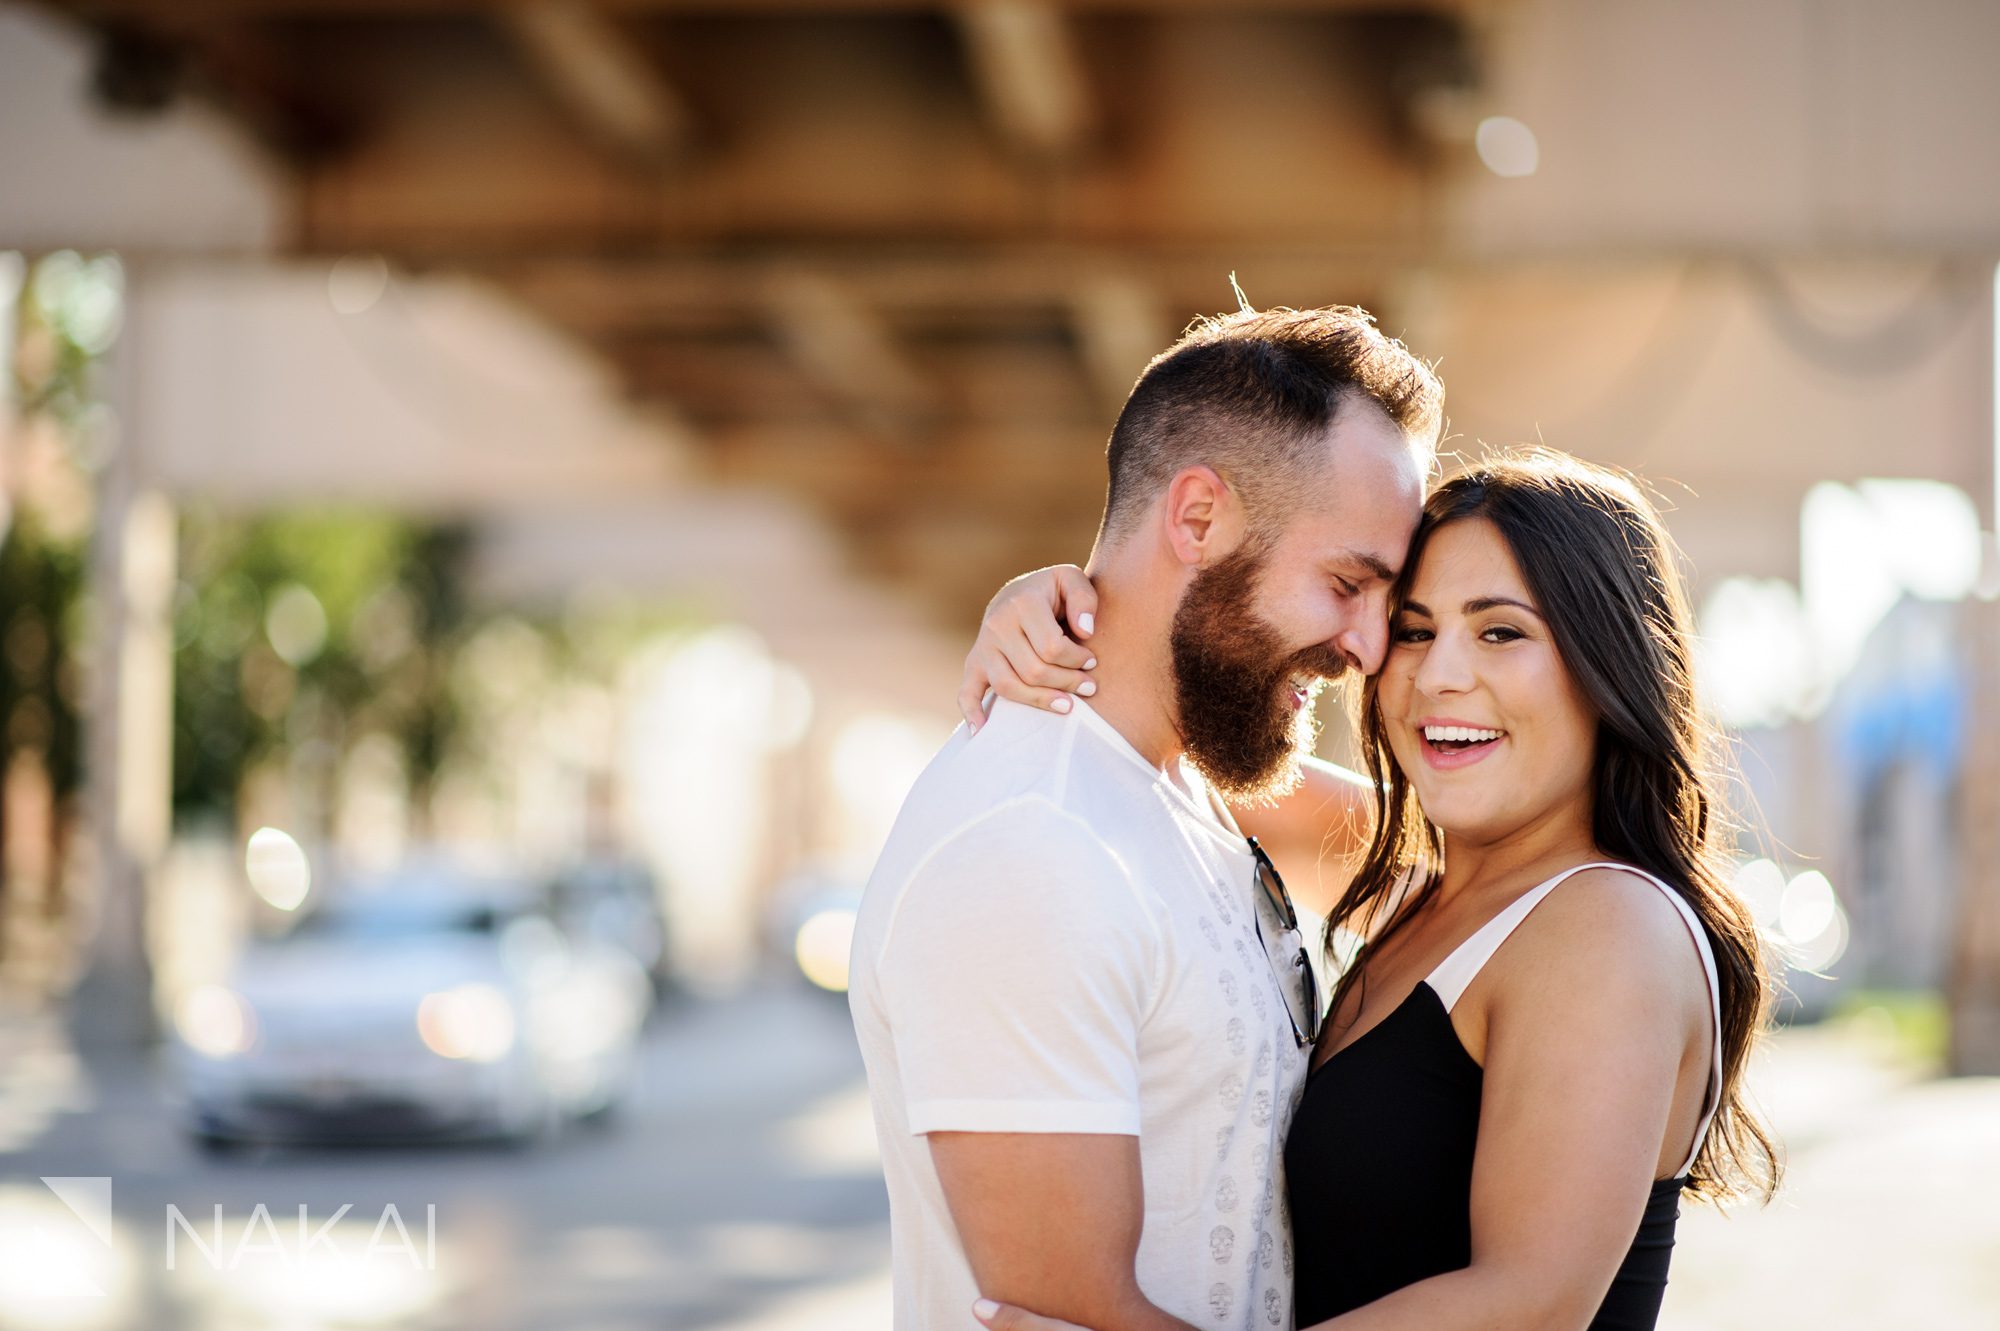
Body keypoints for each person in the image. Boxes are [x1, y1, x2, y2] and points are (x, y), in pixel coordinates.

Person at [957, 450, 1780, 1331]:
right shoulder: (1442, 897)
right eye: (1416, 630)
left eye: (1500, 631)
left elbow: (1525, 1307)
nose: (1438, 676)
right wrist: (1064, 622)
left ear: (1608, 664)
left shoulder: (1607, 925)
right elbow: (1157, 752)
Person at [846, 304, 1445, 1330]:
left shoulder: (1176, 785)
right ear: (1198, 518)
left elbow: (1445, 864)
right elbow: (1071, 1313)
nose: (1368, 648)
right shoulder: (1028, 848)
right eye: (1346, 582)